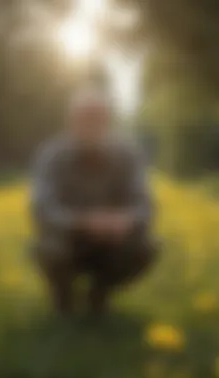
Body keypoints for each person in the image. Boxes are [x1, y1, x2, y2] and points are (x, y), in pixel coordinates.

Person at [30, 86, 159, 317]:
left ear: (108, 121)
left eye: (97, 117)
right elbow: (42, 208)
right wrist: (83, 222)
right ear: (71, 121)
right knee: (44, 247)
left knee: (146, 247)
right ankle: (63, 298)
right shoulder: (51, 155)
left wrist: (125, 221)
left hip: (113, 239)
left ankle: (99, 294)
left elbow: (145, 206)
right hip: (69, 239)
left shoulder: (128, 155)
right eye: (84, 117)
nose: (91, 124)